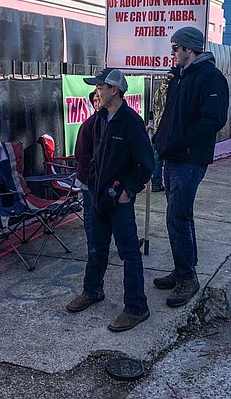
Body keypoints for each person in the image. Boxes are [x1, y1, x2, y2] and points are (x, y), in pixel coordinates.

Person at [66, 68, 154, 332]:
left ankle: (137, 307)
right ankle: (92, 291)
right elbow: (92, 159)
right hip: (98, 197)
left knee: (129, 253)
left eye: (100, 87)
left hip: (120, 201)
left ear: (114, 90)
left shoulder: (131, 122)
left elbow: (146, 164)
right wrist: (93, 186)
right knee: (96, 246)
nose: (96, 92)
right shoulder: (99, 120)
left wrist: (127, 191)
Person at [152, 26, 229, 308]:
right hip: (172, 156)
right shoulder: (180, 77)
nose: (172, 53)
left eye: (175, 48)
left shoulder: (210, 77)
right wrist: (162, 139)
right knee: (180, 216)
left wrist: (180, 142)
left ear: (189, 49)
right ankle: (182, 268)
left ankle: (188, 277)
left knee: (177, 217)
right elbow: (170, 116)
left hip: (189, 159)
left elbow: (213, 120)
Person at [74, 91, 101, 244]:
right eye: (95, 100)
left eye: (99, 99)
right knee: (90, 214)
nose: (97, 103)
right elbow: (81, 154)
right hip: (89, 179)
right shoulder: (88, 125)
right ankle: (93, 245)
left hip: (106, 179)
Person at [146, 77, 170, 192]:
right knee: (167, 158)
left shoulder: (158, 93)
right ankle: (159, 182)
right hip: (167, 127)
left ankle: (156, 182)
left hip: (157, 127)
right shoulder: (171, 92)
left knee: (157, 156)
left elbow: (156, 108)